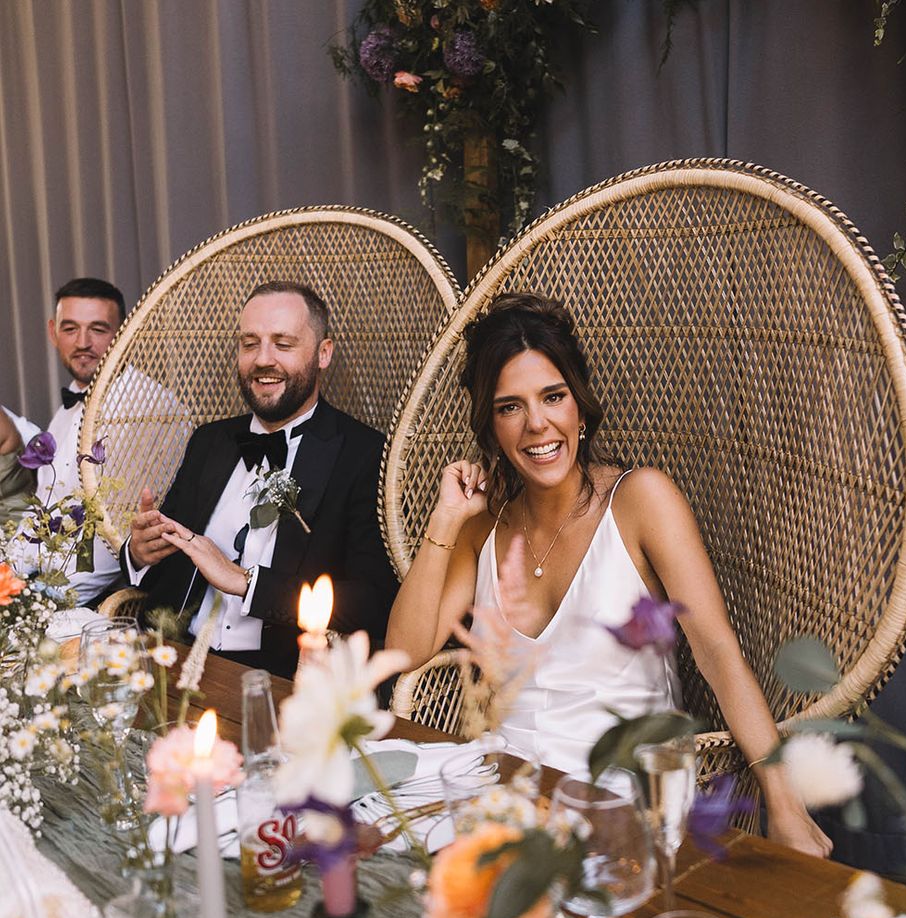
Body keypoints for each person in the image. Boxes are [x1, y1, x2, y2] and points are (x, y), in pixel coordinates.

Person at [386, 291, 832, 857]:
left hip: (624, 791)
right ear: (489, 423)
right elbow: (404, 651)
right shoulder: (481, 529)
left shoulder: (642, 501)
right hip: (506, 786)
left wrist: (784, 804)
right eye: (509, 407)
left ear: (580, 402)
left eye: (553, 397)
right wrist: (446, 520)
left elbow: (719, 655)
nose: (537, 424)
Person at [123, 281, 399, 679]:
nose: (262, 360)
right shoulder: (209, 441)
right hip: (170, 656)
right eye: (249, 343)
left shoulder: (364, 453)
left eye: (283, 344)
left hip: (277, 674)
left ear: (324, 353)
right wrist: (139, 553)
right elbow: (170, 557)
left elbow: (374, 600)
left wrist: (246, 583)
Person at [3, 278, 127, 604]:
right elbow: (42, 511)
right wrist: (8, 575)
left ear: (124, 332)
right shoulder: (65, 411)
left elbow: (116, 541)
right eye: (70, 328)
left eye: (98, 330)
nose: (82, 342)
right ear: (53, 332)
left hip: (84, 600)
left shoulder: (146, 410)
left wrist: (40, 599)